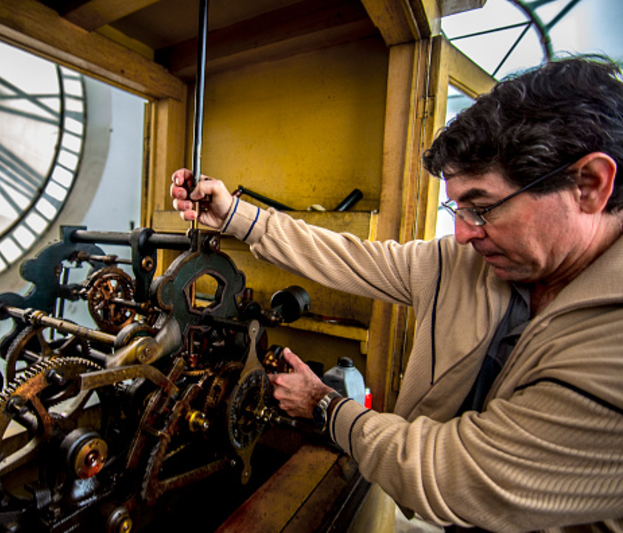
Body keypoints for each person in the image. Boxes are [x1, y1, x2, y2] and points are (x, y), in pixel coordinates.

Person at [170, 55, 623, 532]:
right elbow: (349, 258)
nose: (463, 234)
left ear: (589, 185)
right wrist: (236, 215)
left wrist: (324, 406)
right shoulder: (464, 265)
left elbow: (453, 477)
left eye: (483, 208)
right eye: (457, 208)